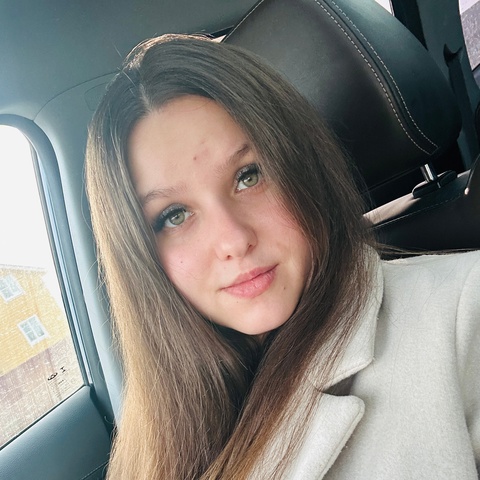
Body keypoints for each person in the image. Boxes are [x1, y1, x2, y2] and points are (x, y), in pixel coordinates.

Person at [85, 34, 480, 480]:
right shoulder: (152, 431)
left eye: (248, 176)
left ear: (300, 165)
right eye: (174, 215)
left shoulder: (464, 312)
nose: (233, 240)